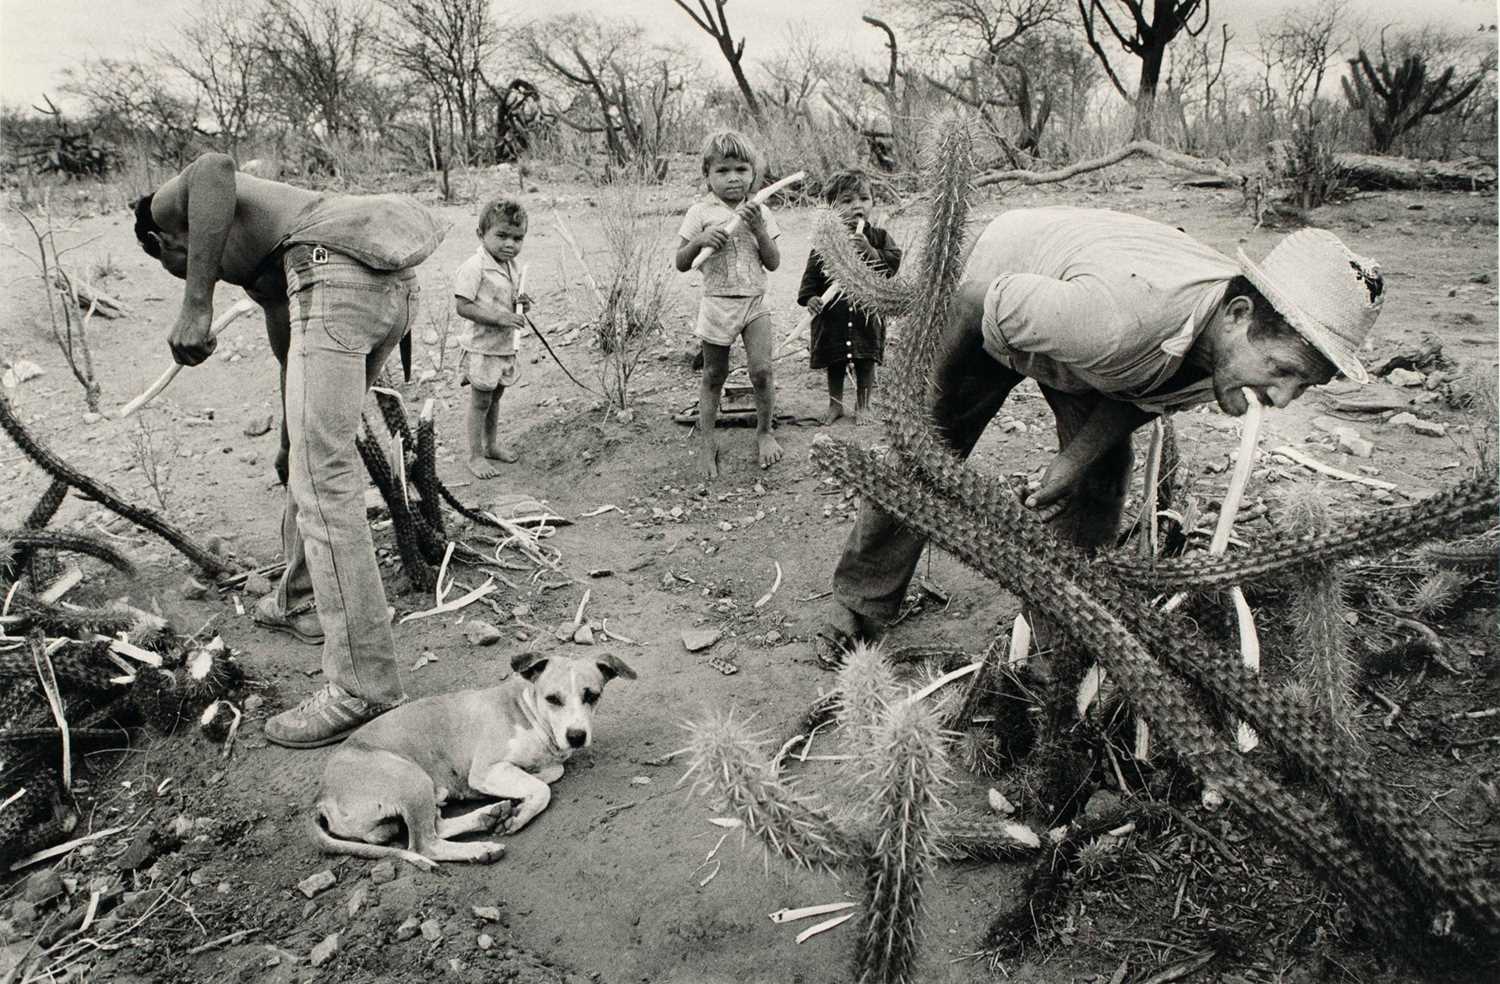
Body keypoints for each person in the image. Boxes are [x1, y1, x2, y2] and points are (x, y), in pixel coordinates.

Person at [818, 206, 1385, 659]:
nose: (1283, 398)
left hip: (1086, 336)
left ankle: (1059, 624)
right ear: (1238, 315)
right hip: (1000, 293)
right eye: (1283, 371)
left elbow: (1141, 396)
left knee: (1101, 473)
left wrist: (1072, 462)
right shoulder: (1114, 321)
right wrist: (925, 409)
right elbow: (973, 304)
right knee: (925, 455)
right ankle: (859, 600)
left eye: (1303, 386)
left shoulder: (1227, 355)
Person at [132, 152, 443, 747]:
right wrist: (287, 435)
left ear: (163, 237)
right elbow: (288, 345)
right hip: (387, 287)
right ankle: (298, 598)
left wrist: (195, 303)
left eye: (177, 261)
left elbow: (213, 168)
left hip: (335, 274)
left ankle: (364, 688)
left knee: (325, 485)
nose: (199, 269)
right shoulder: (266, 258)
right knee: (310, 466)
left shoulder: (171, 206)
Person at [675, 130, 783, 479]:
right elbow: (680, 261)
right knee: (713, 374)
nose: (733, 177)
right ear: (707, 175)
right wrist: (700, 241)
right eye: (722, 171)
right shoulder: (699, 212)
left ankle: (765, 432)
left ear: (752, 172)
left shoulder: (760, 211)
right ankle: (708, 441)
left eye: (740, 169)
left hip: (754, 301)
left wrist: (760, 230)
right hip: (717, 303)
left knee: (762, 371)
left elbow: (773, 262)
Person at [797, 169, 902, 425]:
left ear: (873, 202)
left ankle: (863, 405)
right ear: (831, 209)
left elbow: (891, 266)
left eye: (864, 199)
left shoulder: (878, 237)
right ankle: (836, 405)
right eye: (846, 201)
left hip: (867, 313)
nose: (858, 206)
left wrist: (870, 251)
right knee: (835, 363)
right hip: (833, 316)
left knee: (865, 361)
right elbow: (810, 280)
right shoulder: (825, 243)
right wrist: (810, 298)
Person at [453, 196, 533, 479]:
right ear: (481, 234)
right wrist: (500, 318)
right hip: (483, 347)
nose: (510, 244)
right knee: (480, 401)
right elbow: (463, 305)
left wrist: (520, 304)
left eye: (517, 238)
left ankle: (491, 445)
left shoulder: (511, 266)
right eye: (502, 236)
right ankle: (475, 456)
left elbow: (506, 301)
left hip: (503, 347)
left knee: (495, 397)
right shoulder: (474, 266)